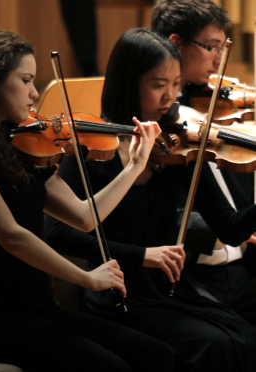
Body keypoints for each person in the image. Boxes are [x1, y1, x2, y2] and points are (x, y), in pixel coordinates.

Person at [0, 28, 174, 372]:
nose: (33, 93)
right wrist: (87, 278)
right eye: (26, 80)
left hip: (39, 309)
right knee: (109, 367)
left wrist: (134, 165)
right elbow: (13, 236)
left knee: (155, 353)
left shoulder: (21, 150)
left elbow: (86, 216)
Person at [44, 27, 256, 372]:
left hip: (172, 290)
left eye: (176, 84)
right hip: (116, 293)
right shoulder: (90, 149)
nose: (171, 96)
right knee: (213, 344)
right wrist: (142, 256)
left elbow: (230, 229)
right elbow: (57, 233)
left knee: (245, 338)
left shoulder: (179, 146)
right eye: (159, 85)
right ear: (129, 83)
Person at [151, 0, 256, 327]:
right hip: (192, 274)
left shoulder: (220, 108)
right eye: (210, 46)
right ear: (175, 43)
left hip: (242, 267)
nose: (219, 59)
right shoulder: (158, 125)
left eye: (222, 48)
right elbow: (155, 215)